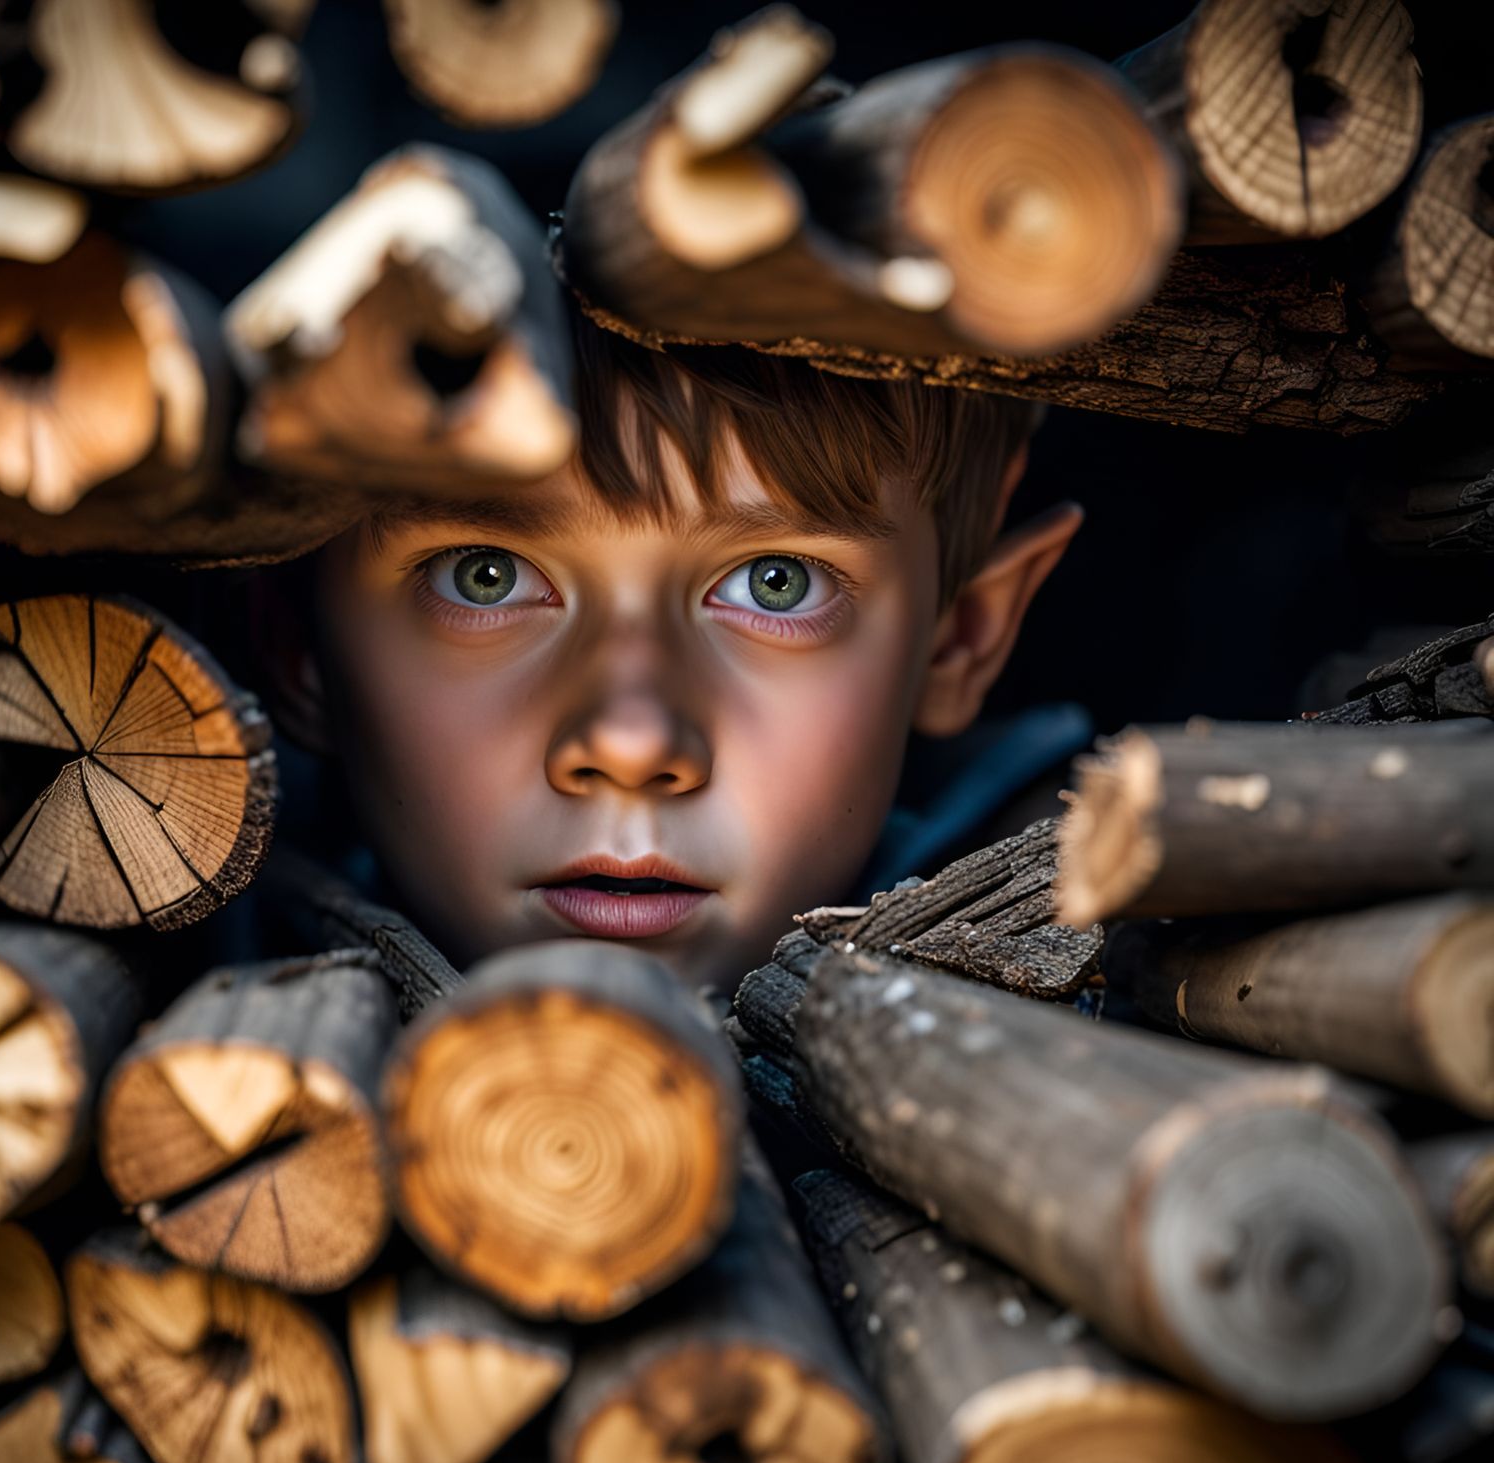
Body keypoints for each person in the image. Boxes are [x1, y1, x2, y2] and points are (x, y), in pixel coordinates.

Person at [259, 305, 1084, 995]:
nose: (631, 743)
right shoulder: (207, 960)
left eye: (776, 583)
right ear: (300, 647)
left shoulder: (1106, 965)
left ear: (958, 640)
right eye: (487, 577)